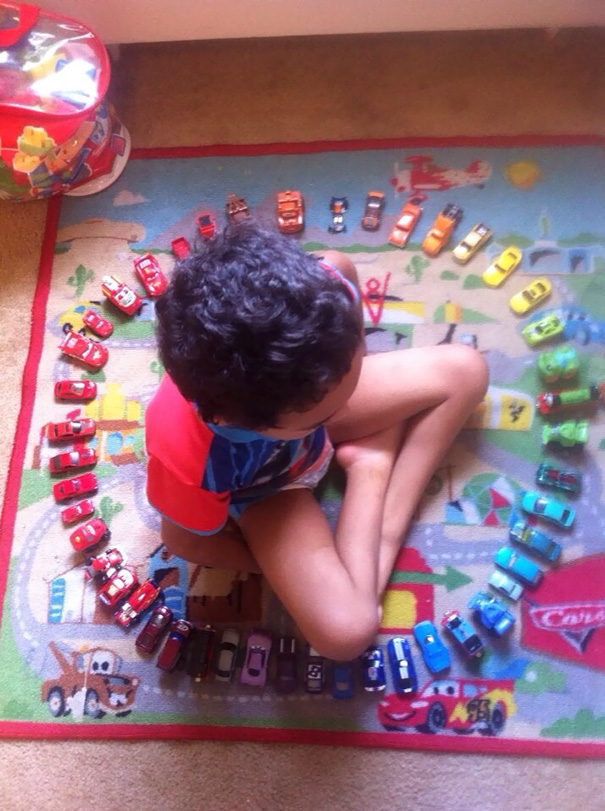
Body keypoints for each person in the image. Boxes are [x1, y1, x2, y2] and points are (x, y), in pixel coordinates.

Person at [146, 219, 488, 661]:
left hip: (303, 392)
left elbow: (339, 265)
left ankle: (367, 472)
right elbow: (186, 543)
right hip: (266, 488)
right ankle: (371, 467)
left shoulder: (326, 286)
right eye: (325, 415)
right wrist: (274, 566)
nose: (341, 411)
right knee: (347, 634)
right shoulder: (189, 458)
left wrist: (345, 366)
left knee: (466, 371)